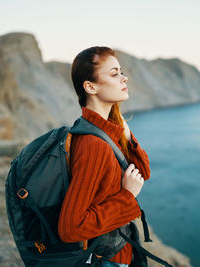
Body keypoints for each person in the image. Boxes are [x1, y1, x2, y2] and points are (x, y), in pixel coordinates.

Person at [58, 46, 151, 267]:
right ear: (90, 86)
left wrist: (127, 135)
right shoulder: (94, 144)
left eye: (121, 71)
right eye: (114, 73)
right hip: (106, 261)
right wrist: (127, 196)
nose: (123, 77)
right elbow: (71, 228)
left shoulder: (106, 130)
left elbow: (143, 173)